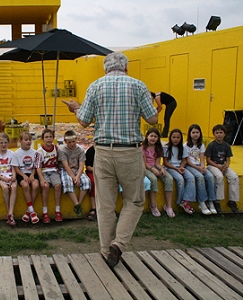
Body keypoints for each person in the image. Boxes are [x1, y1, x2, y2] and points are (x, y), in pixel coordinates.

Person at [63, 52, 158, 268]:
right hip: (130, 152)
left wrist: (76, 108)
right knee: (134, 201)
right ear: (126, 68)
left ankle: (107, 251)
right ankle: (119, 244)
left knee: (104, 205)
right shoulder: (138, 85)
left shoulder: (95, 86)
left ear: (105, 69)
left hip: (103, 152)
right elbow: (152, 118)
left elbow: (84, 121)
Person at [205, 124, 240, 213]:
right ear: (214, 134)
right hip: (213, 166)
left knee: (234, 177)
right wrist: (218, 167)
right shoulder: (211, 145)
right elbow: (208, 160)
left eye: (221, 132)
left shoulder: (227, 146)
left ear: (224, 134)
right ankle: (217, 200)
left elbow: (228, 159)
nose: (219, 134)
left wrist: (226, 165)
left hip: (223, 165)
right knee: (219, 177)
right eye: (217, 133)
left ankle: (232, 201)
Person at [142, 128, 175, 218]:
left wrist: (162, 169)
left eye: (155, 136)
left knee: (169, 178)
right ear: (147, 136)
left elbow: (157, 163)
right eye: (151, 136)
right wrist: (153, 169)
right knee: (153, 179)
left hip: (155, 166)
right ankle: (153, 204)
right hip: (146, 168)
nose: (153, 138)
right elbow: (145, 164)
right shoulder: (143, 147)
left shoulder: (158, 148)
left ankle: (168, 206)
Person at [184, 124, 217, 214]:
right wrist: (198, 168)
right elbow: (187, 160)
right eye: (193, 132)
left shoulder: (201, 145)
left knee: (210, 176)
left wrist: (203, 167)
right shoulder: (186, 145)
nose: (195, 134)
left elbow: (202, 158)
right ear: (189, 134)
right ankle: (202, 202)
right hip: (190, 166)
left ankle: (211, 201)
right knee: (200, 177)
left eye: (197, 132)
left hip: (198, 165)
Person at [163, 129, 196, 214]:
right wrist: (176, 169)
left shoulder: (183, 147)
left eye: (178, 137)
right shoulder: (166, 147)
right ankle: (180, 201)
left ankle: (185, 200)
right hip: (170, 167)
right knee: (180, 179)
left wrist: (181, 167)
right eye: (174, 137)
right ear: (170, 137)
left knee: (191, 177)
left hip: (180, 167)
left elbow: (184, 160)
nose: (176, 139)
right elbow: (165, 162)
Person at [58, 130, 90, 217]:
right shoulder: (62, 150)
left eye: (73, 141)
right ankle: (76, 204)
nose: (72, 144)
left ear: (76, 140)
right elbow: (66, 166)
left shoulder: (80, 150)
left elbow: (81, 165)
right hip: (66, 170)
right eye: (69, 142)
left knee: (86, 182)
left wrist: (78, 176)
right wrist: (73, 177)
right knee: (67, 182)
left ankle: (79, 203)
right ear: (65, 142)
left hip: (77, 169)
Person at [11, 131, 40, 224]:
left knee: (35, 185)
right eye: (26, 140)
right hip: (22, 173)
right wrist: (23, 175)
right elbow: (16, 167)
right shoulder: (16, 153)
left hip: (31, 173)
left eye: (30, 140)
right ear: (20, 141)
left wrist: (32, 175)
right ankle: (32, 211)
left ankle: (28, 211)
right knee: (25, 185)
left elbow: (36, 166)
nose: (28, 142)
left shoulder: (35, 152)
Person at [36, 129, 62, 223]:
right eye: (46, 137)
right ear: (43, 139)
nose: (48, 139)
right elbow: (38, 167)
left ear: (53, 138)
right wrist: (42, 179)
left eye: (50, 137)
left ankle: (58, 210)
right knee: (45, 186)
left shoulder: (56, 148)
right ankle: (45, 212)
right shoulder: (40, 151)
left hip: (54, 171)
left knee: (58, 186)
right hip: (44, 171)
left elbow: (58, 162)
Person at [0, 133, 17, 227]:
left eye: (5, 142)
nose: (3, 145)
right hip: (1, 176)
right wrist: (3, 178)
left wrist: (13, 176)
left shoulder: (12, 154)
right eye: (1, 142)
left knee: (14, 187)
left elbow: (13, 168)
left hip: (10, 174)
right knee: (5, 188)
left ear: (8, 143)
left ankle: (10, 213)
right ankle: (9, 211)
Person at [84, 144, 97, 221]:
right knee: (92, 182)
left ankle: (108, 208)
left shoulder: (106, 151)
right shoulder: (90, 151)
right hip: (92, 171)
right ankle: (93, 207)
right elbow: (88, 166)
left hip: (104, 171)